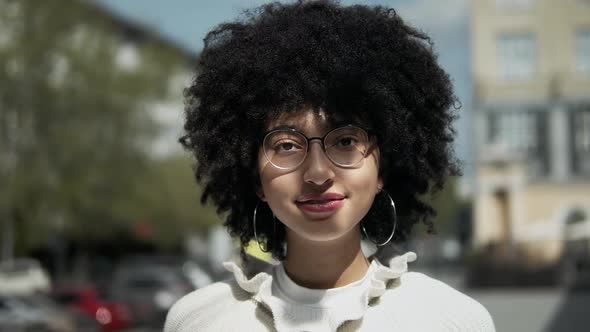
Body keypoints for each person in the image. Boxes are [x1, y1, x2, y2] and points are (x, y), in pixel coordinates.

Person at [165, 1, 495, 331]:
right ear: (254, 177)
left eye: (346, 141)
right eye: (287, 146)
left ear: (383, 167)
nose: (318, 174)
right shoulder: (197, 320)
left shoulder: (453, 320)